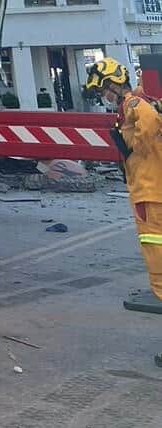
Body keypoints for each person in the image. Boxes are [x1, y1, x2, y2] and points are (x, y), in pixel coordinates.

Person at [85, 57, 162, 302]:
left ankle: (161, 291)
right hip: (152, 184)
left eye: (103, 90)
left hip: (148, 187)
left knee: (153, 240)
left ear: (114, 84)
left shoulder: (133, 104)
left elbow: (149, 122)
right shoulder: (140, 101)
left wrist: (138, 147)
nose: (104, 96)